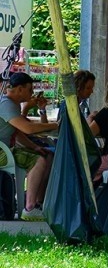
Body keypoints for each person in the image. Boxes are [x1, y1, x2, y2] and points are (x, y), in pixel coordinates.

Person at [2, 73, 58, 221]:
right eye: (30, 90)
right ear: (20, 89)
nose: (32, 93)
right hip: (2, 151)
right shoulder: (6, 104)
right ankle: (30, 207)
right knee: (38, 160)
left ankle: (38, 202)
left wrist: (34, 147)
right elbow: (28, 129)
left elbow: (18, 132)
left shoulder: (9, 104)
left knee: (47, 155)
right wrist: (55, 124)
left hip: (6, 149)